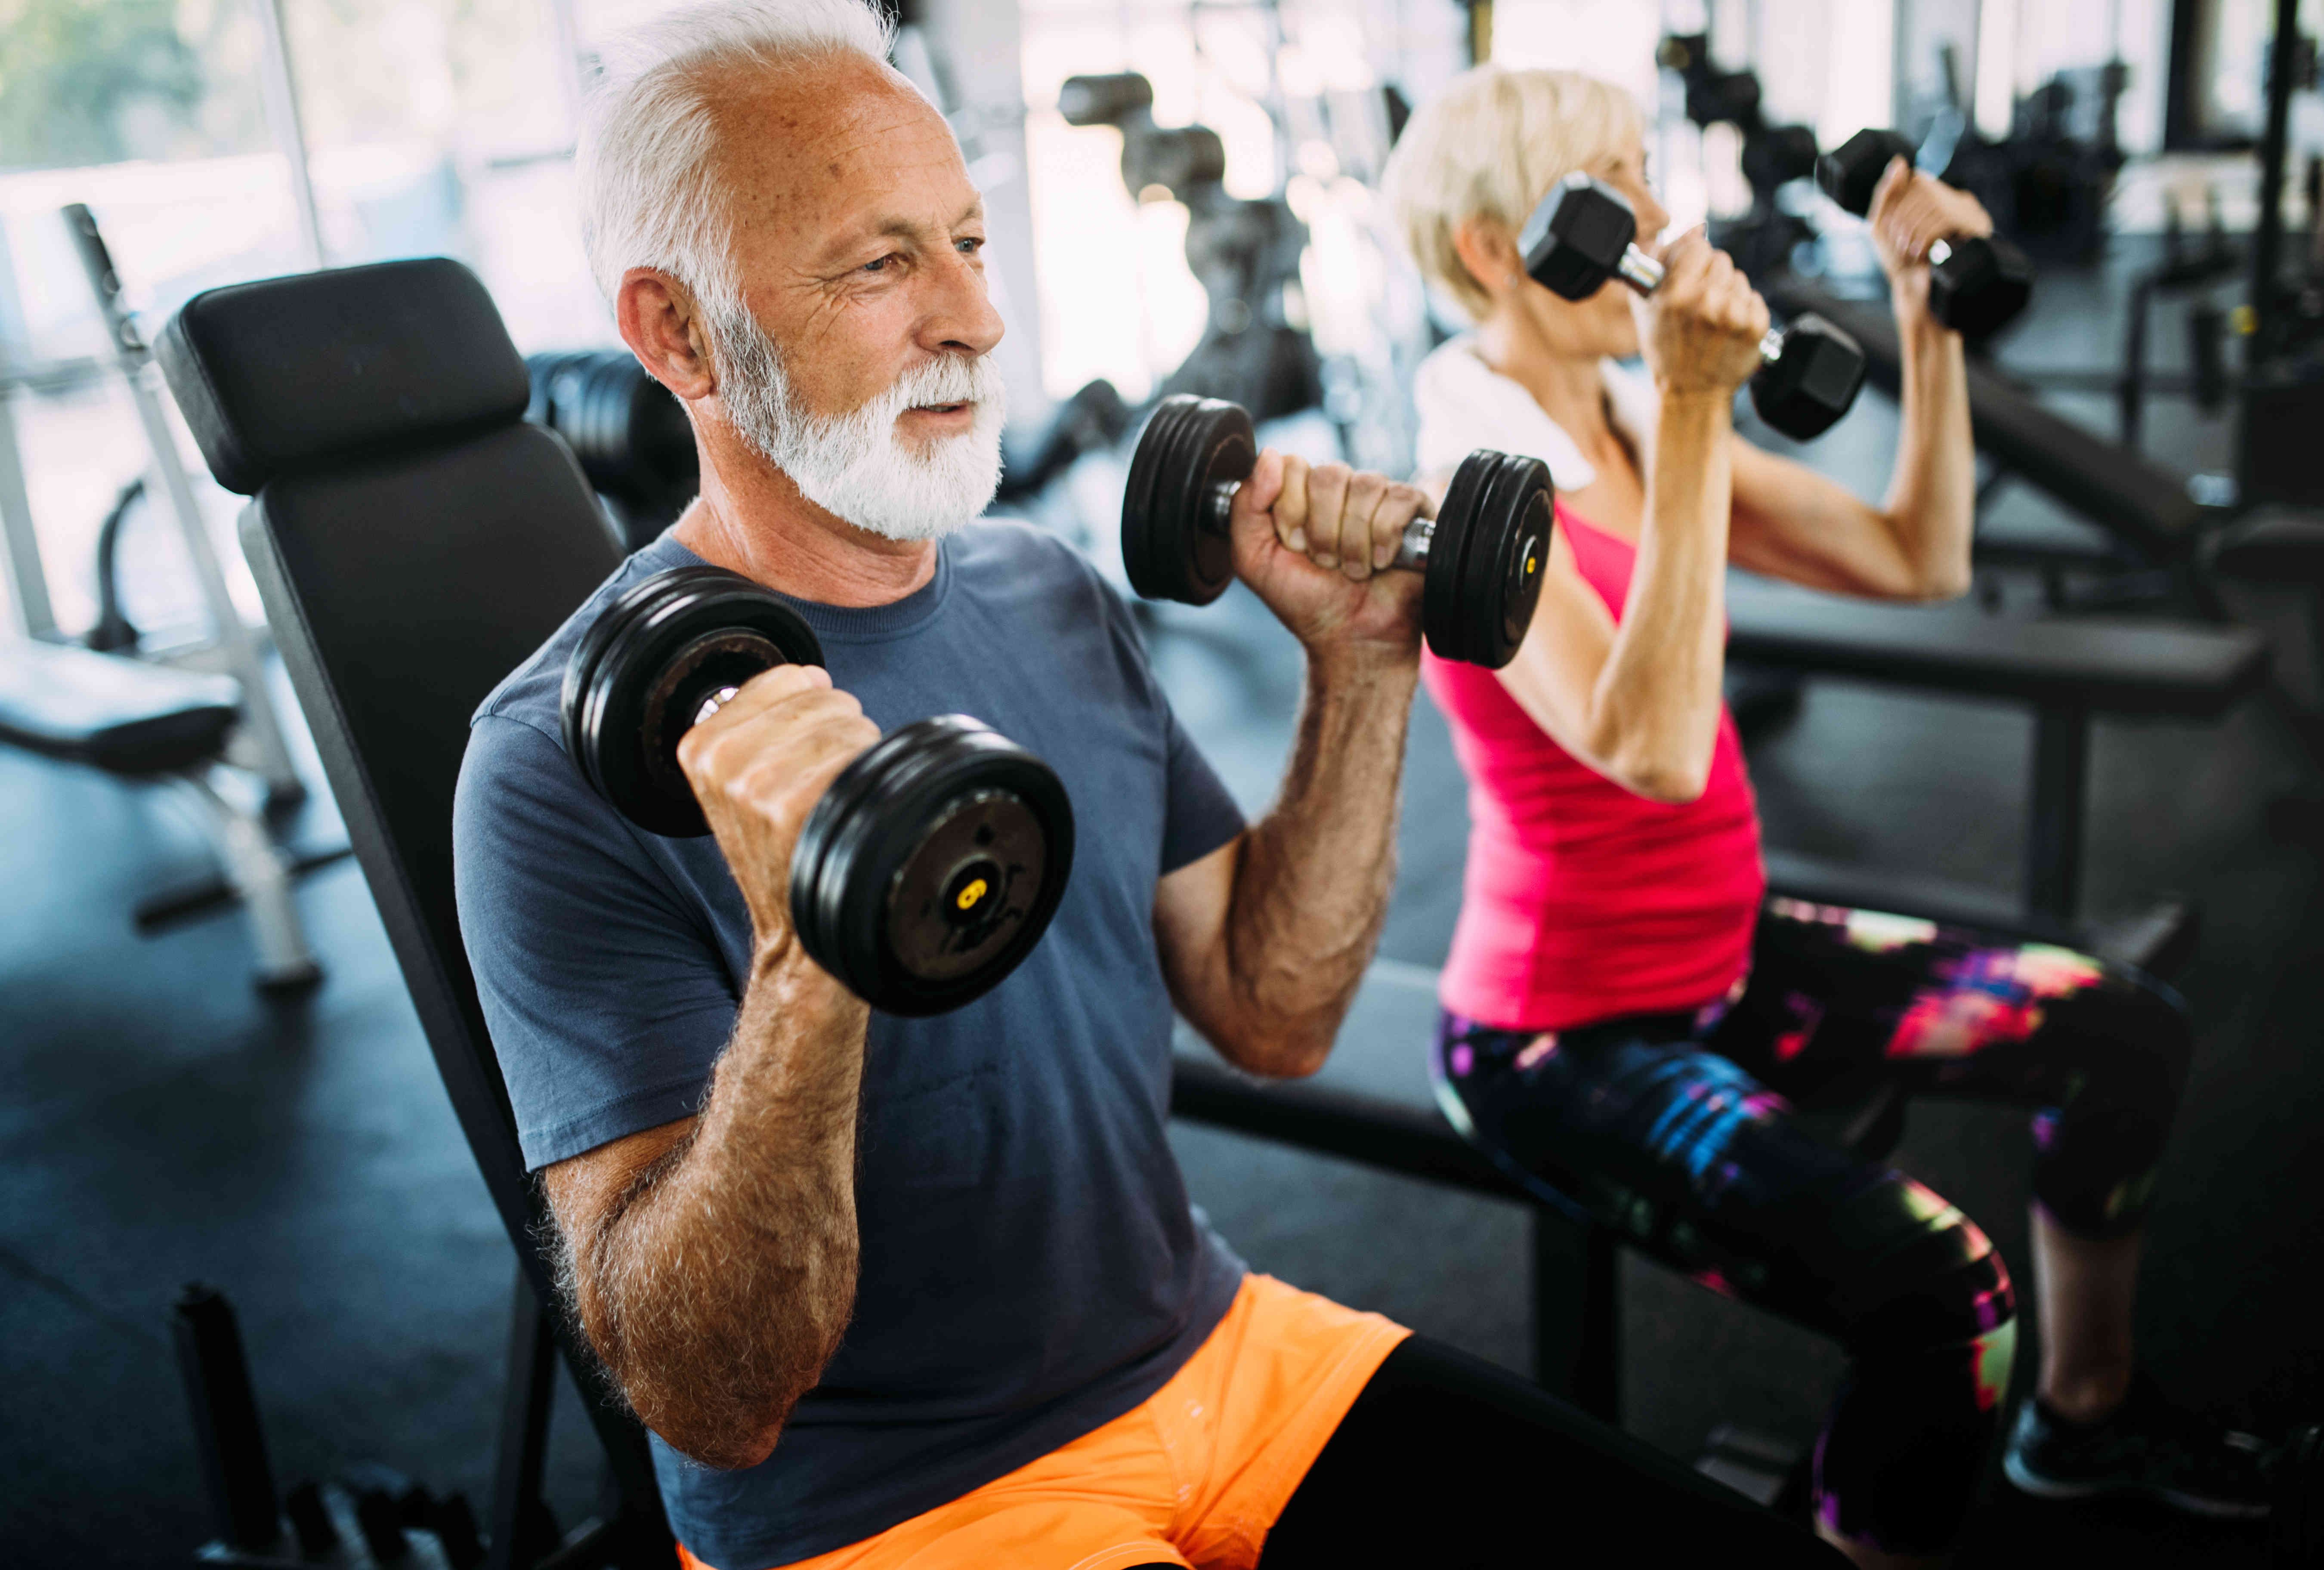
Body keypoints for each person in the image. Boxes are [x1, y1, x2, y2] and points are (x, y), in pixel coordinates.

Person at [453, 4, 1848, 1567]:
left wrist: (1365, 667)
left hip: (1218, 1355)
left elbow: (1274, 1011)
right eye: (881, 264)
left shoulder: (1043, 589)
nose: (976, 316)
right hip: (891, 1507)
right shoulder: (554, 767)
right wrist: (808, 957)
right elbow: (714, 1400)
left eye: (971, 242)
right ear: (680, 334)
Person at [1378, 65, 2270, 1570]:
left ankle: (2087, 1415)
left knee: (2123, 1031)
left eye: (1646, 176)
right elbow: (1648, 749)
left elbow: (1920, 555)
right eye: (1617, 186)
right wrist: (1691, 404)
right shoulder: (1465, 494)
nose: (1662, 221)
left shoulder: (1621, 419)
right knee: (1946, 1299)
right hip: (1561, 1036)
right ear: (1492, 250)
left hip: (1725, 952)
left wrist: (1920, 317)